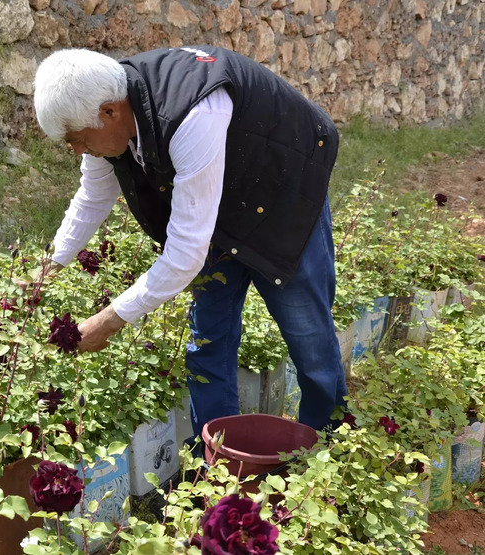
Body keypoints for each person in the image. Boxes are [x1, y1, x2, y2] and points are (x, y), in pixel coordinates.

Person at [32, 46, 347, 436]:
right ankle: (218, 457)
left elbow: (184, 255)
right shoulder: (104, 108)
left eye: (79, 139)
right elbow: (94, 195)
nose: (79, 150)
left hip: (283, 190)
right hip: (217, 203)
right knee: (208, 341)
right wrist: (51, 265)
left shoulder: (191, 113)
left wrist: (109, 321)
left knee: (308, 336)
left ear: (111, 111)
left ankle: (329, 442)